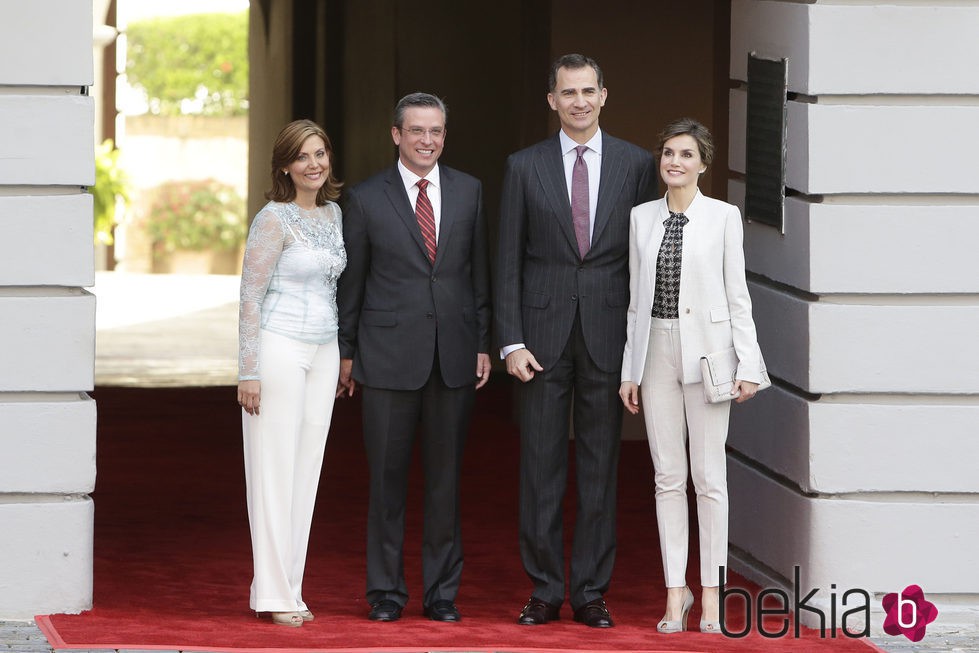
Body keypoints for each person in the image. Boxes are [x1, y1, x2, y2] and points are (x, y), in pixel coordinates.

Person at [495, 54, 657, 628]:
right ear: (552, 101)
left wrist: (639, 350)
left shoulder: (638, 165)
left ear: (604, 96)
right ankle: (543, 588)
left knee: (599, 469)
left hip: (609, 338)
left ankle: (590, 591)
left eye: (589, 91)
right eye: (569, 93)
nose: (579, 101)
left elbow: (644, 261)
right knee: (540, 469)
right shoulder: (523, 166)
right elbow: (507, 258)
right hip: (539, 340)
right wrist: (510, 341)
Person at [337, 92, 491, 623]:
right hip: (385, 358)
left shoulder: (469, 191)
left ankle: (442, 594)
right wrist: (347, 353)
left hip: (452, 356)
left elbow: (478, 273)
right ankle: (385, 592)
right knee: (386, 482)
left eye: (437, 131)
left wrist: (481, 341)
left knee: (445, 483)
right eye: (417, 131)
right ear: (396, 134)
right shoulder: (364, 198)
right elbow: (351, 283)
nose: (428, 140)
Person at [618, 118, 766, 634]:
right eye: (667, 154)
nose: (674, 162)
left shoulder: (724, 217)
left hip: (709, 355)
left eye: (685, 155)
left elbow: (737, 296)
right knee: (667, 478)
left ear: (703, 164)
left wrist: (748, 364)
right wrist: (628, 370)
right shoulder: (641, 218)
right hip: (654, 349)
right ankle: (674, 592)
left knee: (710, 480)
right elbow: (635, 303)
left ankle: (712, 595)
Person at [237, 120, 347, 627]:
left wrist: (343, 354)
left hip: (324, 349)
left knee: (306, 471)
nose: (314, 164)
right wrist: (249, 371)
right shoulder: (272, 219)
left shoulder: (334, 213)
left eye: (320, 154)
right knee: (273, 470)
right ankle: (272, 591)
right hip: (279, 348)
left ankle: (291, 587)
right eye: (302, 156)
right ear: (285, 165)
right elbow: (250, 299)